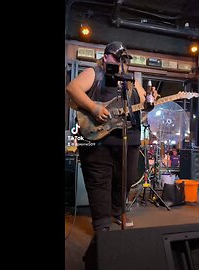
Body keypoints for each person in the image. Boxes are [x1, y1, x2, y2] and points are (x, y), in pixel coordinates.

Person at [66, 41, 157, 232]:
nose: (121, 62)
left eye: (124, 59)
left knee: (126, 179)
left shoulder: (131, 81)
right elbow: (72, 89)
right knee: (99, 181)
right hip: (98, 140)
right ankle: (101, 223)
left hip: (127, 140)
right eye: (117, 58)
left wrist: (151, 102)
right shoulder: (94, 73)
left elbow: (144, 104)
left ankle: (117, 212)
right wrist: (93, 107)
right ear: (106, 57)